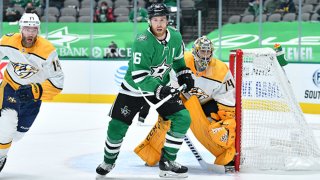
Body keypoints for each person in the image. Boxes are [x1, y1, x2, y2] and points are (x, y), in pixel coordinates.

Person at [95, 3, 194, 178]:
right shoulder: (142, 41)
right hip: (134, 88)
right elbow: (140, 76)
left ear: (167, 21)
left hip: (158, 87)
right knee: (117, 125)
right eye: (155, 20)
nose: (159, 24)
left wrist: (184, 74)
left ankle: (167, 162)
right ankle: (108, 162)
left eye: (162, 19)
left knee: (183, 117)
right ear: (149, 21)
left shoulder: (176, 37)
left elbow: (178, 60)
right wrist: (160, 89)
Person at [134, 36, 237, 170]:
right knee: (166, 122)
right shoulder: (182, 61)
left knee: (213, 129)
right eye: (202, 51)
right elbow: (168, 81)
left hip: (206, 103)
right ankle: (151, 154)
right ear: (195, 51)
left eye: (208, 52)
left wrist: (227, 118)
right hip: (181, 97)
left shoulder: (221, 69)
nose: (205, 55)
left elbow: (226, 95)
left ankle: (226, 156)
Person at [0, 13, 64, 173]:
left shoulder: (48, 50)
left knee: (18, 134)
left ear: (38, 30)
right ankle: (1, 156)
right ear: (20, 28)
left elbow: (58, 81)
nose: (30, 33)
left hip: (33, 97)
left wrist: (36, 91)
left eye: (34, 29)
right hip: (10, 87)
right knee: (6, 125)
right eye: (27, 28)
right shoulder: (8, 40)